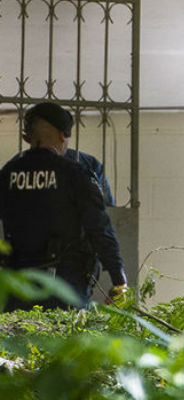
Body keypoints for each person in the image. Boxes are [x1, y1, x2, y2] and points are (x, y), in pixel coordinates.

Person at [0, 102, 128, 311]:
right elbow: (100, 230)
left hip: (17, 289)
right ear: (63, 135)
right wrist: (118, 279)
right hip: (64, 289)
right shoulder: (76, 175)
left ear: (27, 138)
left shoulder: (7, 176)